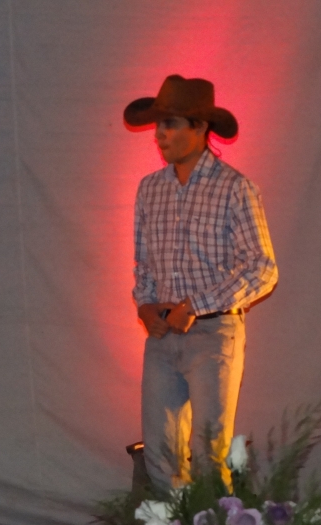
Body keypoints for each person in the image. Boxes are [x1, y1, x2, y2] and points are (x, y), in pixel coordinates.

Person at [124, 75, 278, 491]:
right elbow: (144, 264)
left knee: (210, 451)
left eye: (170, 124)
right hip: (162, 335)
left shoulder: (235, 188)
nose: (160, 134)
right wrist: (145, 305)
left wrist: (195, 305)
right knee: (160, 453)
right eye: (158, 125)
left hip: (214, 333)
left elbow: (263, 268)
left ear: (200, 128)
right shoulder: (150, 189)